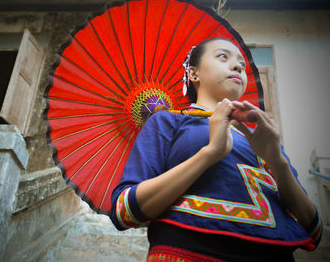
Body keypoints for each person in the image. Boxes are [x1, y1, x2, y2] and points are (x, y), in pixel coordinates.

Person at [109, 38, 322, 261]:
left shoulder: (261, 137)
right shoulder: (167, 122)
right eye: (223, 56)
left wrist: (277, 160)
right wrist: (210, 153)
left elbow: (313, 229)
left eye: (241, 63)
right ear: (193, 74)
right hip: (188, 252)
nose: (239, 66)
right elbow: (124, 211)